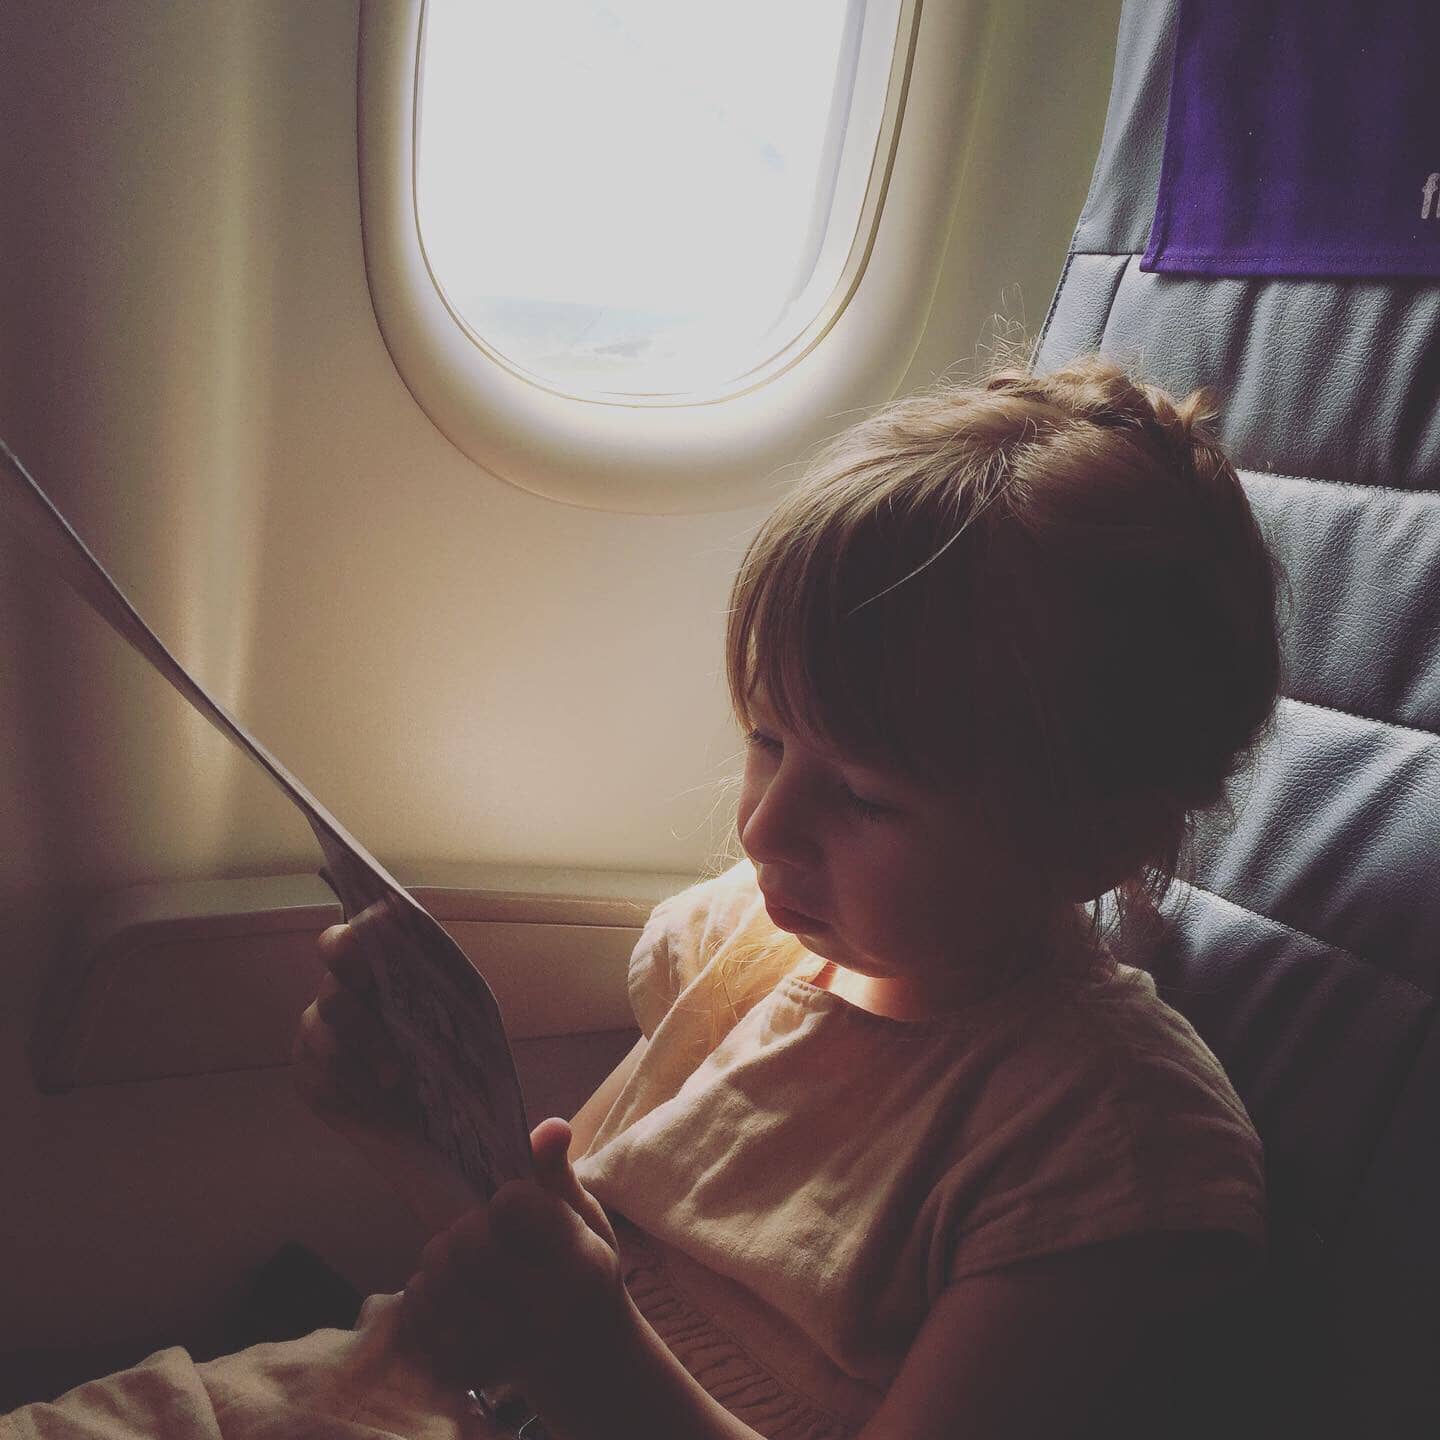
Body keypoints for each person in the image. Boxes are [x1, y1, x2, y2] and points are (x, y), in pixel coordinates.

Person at [3, 354, 1280, 1440]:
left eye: (866, 797)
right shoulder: (747, 943)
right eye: (769, 743)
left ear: (1097, 840)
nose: (765, 827)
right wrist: (410, 1134)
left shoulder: (1113, 1154)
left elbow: (588, 1333)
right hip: (407, 1387)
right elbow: (563, 1269)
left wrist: (592, 1350)